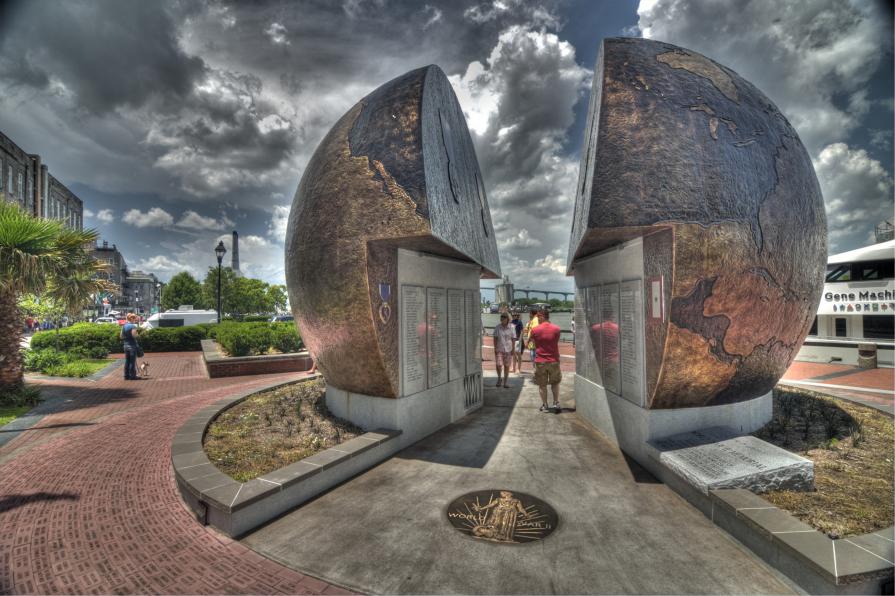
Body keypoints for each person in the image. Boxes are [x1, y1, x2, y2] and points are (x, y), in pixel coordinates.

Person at [530, 309, 562, 411]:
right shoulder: (557, 329)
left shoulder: (535, 330)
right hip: (554, 360)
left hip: (540, 361)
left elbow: (531, 344)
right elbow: (555, 341)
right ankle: (556, 403)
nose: (537, 319)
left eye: (538, 317)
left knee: (542, 385)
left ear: (543, 316)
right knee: (555, 383)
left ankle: (545, 404)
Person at [492, 312, 516, 388]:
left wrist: (513, 349)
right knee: (499, 365)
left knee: (507, 366)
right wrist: (495, 348)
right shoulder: (497, 327)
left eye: (504, 317)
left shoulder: (512, 327)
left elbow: (513, 338)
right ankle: (499, 378)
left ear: (507, 319)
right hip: (499, 348)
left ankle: (505, 382)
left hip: (508, 349)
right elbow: (495, 338)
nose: (502, 319)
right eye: (501, 317)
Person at [121, 313, 142, 380]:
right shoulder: (133, 326)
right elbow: (134, 336)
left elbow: (121, 336)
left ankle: (126, 375)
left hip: (125, 346)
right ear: (132, 319)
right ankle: (132, 376)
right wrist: (137, 334)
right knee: (132, 361)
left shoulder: (124, 326)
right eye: (135, 319)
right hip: (132, 346)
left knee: (127, 361)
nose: (135, 320)